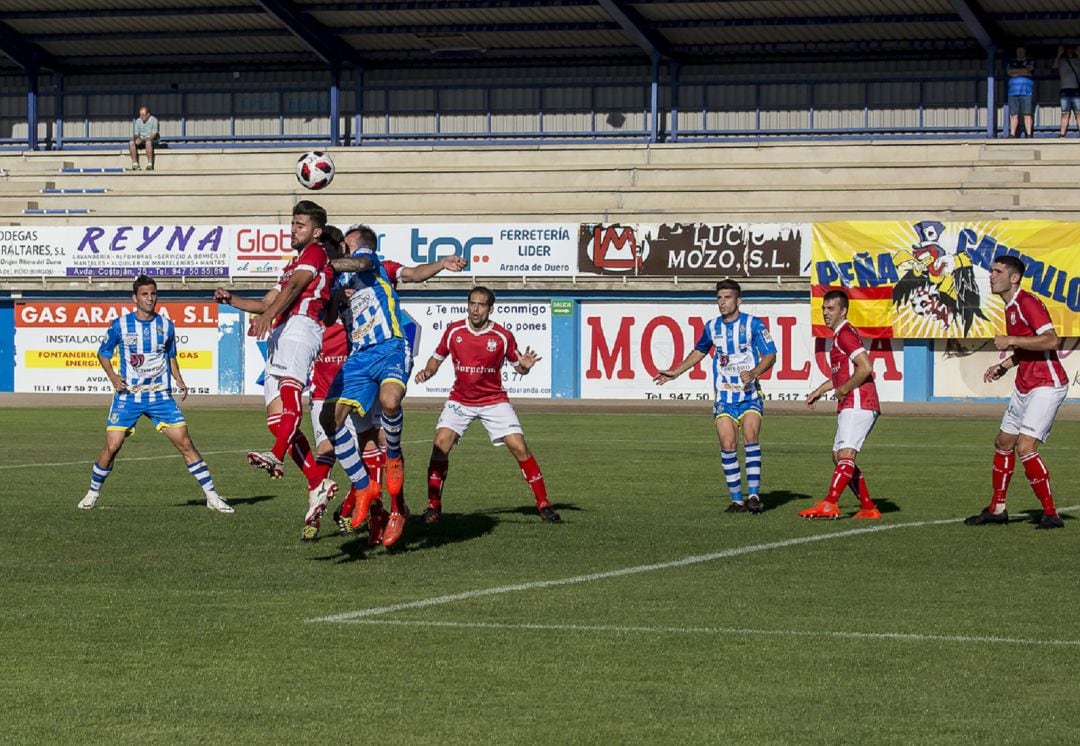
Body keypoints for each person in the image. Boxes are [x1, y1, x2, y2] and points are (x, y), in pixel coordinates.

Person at [213, 200, 336, 540]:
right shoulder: (292, 263)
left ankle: (277, 455)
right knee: (274, 419)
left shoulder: (314, 254)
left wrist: (269, 316)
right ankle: (317, 482)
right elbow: (268, 302)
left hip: (301, 326)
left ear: (315, 231)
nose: (293, 229)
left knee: (290, 391)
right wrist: (232, 299)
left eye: (300, 224)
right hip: (282, 330)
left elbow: (296, 290)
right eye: (293, 224)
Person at [78, 275, 233, 514]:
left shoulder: (166, 326)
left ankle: (212, 496)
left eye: (153, 294)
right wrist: (112, 377)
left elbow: (170, 355)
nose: (150, 298)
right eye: (145, 294)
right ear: (135, 298)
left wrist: (179, 379)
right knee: (112, 446)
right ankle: (92, 493)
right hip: (128, 396)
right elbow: (103, 353)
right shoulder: (120, 325)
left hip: (160, 396)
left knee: (185, 443)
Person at [414, 286, 560, 524]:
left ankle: (543, 504)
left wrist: (525, 365)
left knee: (519, 447)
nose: (475, 309)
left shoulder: (502, 336)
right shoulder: (454, 331)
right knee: (440, 444)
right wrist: (428, 372)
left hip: (493, 400)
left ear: (490, 309)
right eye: (472, 303)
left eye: (481, 305)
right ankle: (433, 507)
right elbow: (437, 358)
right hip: (460, 400)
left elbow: (519, 368)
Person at [319, 225, 413, 548]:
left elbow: (358, 265)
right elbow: (330, 318)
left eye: (344, 243)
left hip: (388, 347)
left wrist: (325, 265)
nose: (341, 248)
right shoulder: (341, 281)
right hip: (358, 359)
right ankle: (364, 489)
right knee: (331, 419)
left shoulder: (367, 259)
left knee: (390, 404)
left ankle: (396, 471)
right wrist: (332, 293)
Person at [653, 279, 776, 514]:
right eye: (719, 298)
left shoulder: (753, 324)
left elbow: (770, 355)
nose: (722, 302)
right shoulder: (711, 327)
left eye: (727, 297)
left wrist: (755, 372)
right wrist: (675, 371)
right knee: (727, 443)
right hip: (724, 399)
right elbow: (700, 350)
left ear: (738, 300)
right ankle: (737, 500)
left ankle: (753, 495)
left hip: (749, 396)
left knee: (750, 436)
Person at [965, 255, 1068, 530]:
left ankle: (1050, 514)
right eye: (991, 271)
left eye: (998, 271)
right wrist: (1006, 365)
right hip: (1025, 383)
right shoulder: (1010, 307)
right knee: (1003, 442)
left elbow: (1051, 340)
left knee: (1025, 447)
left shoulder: (1027, 302)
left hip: (1047, 384)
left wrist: (1010, 340)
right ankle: (997, 509)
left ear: (1014, 277)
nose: (991, 276)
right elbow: (1029, 347)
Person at [800, 289, 882, 520]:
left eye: (831, 309)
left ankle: (830, 503)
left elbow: (865, 367)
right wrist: (819, 391)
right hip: (854, 402)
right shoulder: (839, 335)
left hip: (859, 402)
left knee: (846, 454)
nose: (825, 313)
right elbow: (840, 375)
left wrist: (844, 389)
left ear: (843, 311)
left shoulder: (845, 334)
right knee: (838, 456)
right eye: (824, 308)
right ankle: (867, 507)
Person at [1006, 47, 1035, 138]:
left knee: (1027, 113)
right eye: (1018, 50)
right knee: (1014, 114)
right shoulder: (1011, 61)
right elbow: (1009, 72)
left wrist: (1016, 72)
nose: (1020, 52)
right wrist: (1022, 71)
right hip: (1012, 92)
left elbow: (1028, 71)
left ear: (1025, 51)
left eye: (1022, 50)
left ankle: (1029, 134)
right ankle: (1012, 134)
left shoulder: (1030, 61)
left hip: (1026, 91)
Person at [1053, 45, 1080, 137]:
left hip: (1076, 89)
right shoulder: (1062, 61)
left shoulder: (1077, 60)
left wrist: (1078, 53)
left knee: (1078, 113)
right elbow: (1054, 68)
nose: (1070, 51)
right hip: (1065, 89)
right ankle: (1062, 133)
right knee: (1065, 113)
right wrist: (1059, 54)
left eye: (1072, 49)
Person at [129, 106, 159, 171]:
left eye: (143, 115)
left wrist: (145, 139)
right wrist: (137, 138)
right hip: (142, 140)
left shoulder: (154, 120)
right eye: (140, 115)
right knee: (131, 142)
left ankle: (150, 164)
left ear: (148, 114)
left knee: (148, 142)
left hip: (152, 141)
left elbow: (154, 134)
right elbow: (136, 134)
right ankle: (135, 164)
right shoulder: (138, 121)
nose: (141, 116)